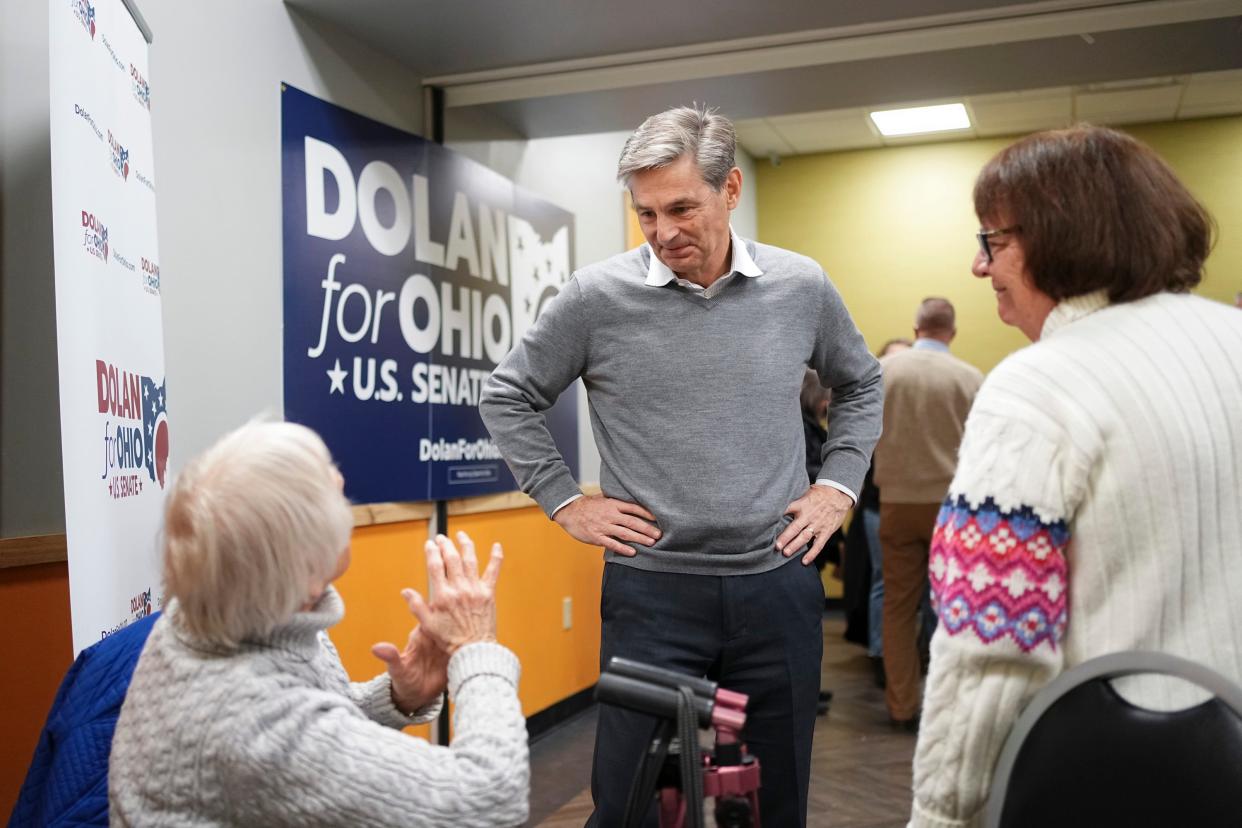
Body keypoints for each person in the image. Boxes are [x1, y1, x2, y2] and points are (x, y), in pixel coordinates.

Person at [480, 104, 882, 826]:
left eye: (682, 208)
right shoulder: (595, 298)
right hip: (653, 595)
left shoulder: (801, 287)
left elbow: (861, 383)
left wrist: (838, 487)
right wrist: (566, 500)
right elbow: (509, 393)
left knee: (775, 803)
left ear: (730, 191)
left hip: (777, 584)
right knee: (626, 806)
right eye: (646, 214)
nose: (664, 233)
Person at [910, 125, 1242, 827]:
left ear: (1058, 236)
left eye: (992, 242)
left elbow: (990, 647)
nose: (979, 268)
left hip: (1123, 780)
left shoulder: (1038, 386)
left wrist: (944, 814)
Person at [108, 421, 528, 827]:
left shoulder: (224, 604)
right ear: (307, 572)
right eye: (332, 495)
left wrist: (400, 696)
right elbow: (492, 796)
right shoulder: (250, 720)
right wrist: (476, 647)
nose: (340, 482)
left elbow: (307, 738)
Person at [873, 299, 983, 731]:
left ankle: (901, 705)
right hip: (952, 507)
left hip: (896, 503)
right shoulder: (971, 379)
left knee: (898, 608)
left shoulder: (883, 371)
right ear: (951, 333)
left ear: (915, 327)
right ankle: (947, 704)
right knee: (953, 605)